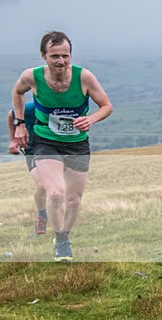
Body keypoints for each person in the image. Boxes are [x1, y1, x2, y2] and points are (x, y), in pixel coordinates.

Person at [11, 31, 113, 261]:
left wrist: (91, 119)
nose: (61, 61)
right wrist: (19, 123)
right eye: (55, 56)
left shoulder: (84, 77)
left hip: (77, 144)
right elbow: (17, 92)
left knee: (74, 199)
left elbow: (106, 105)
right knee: (56, 192)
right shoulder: (32, 76)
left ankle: (63, 234)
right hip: (45, 140)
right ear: (43, 55)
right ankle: (62, 242)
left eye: (65, 56)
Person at [7, 102, 48, 234]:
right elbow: (11, 114)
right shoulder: (31, 108)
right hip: (33, 150)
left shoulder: (62, 106)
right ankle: (42, 215)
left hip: (57, 148)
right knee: (41, 185)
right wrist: (13, 139)